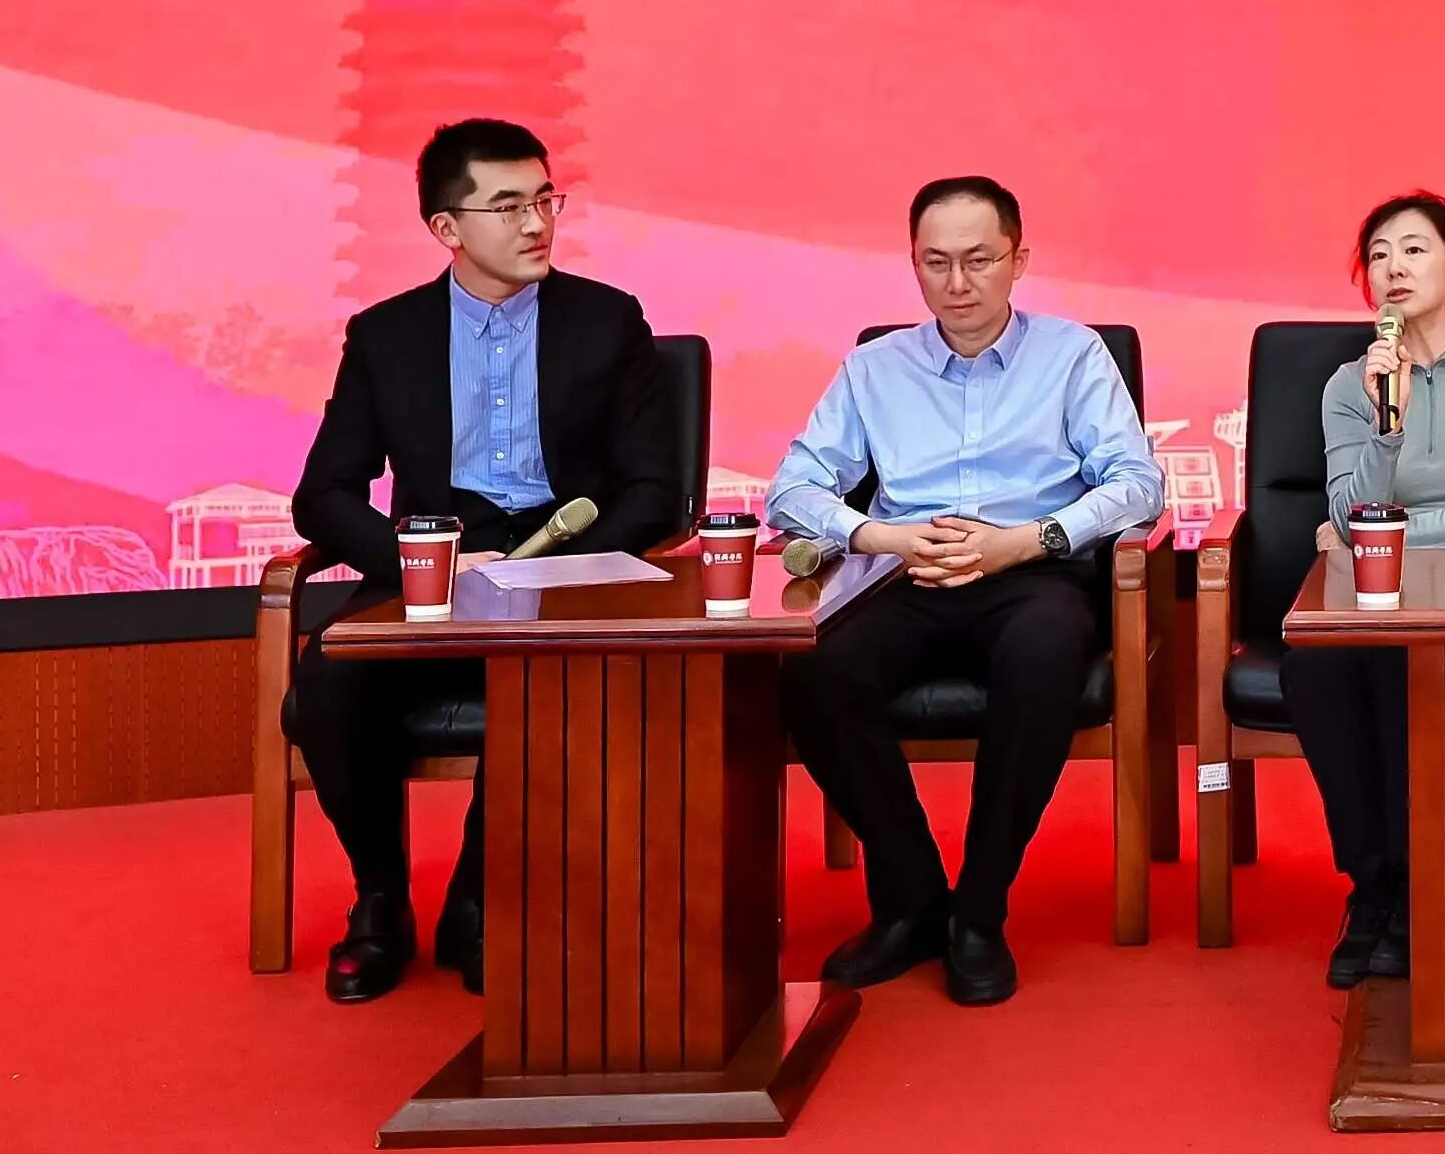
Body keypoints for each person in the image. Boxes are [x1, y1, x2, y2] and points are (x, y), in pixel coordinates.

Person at [287, 118, 677, 1003]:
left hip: (565, 573)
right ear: (446, 227)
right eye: (507, 206)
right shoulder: (386, 335)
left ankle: (478, 899)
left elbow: (654, 490)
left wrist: (555, 569)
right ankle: (380, 898)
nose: (537, 223)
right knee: (328, 686)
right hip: (435, 578)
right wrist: (421, 564)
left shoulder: (608, 321)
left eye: (545, 199)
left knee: (543, 681)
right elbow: (325, 493)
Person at [766, 178, 1163, 1008]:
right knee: (811, 669)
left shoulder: (1073, 355)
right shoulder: (875, 367)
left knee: (1043, 657)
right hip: (906, 571)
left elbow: (1137, 485)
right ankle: (913, 898)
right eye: (936, 262)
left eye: (979, 259)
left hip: (1030, 570)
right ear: (913, 262)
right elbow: (792, 489)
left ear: (1020, 258)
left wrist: (1024, 540)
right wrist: (881, 536)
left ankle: (979, 911)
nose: (957, 282)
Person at [1287, 192, 1445, 988]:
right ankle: (1375, 887)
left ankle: (1415, 886)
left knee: (1406, 665)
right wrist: (1386, 423)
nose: (1393, 267)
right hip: (1372, 597)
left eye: (1413, 249)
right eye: (1377, 254)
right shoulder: (1348, 384)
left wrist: (1380, 539)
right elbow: (1347, 509)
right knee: (1317, 666)